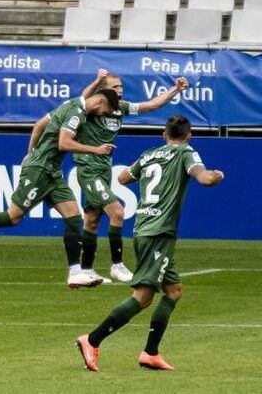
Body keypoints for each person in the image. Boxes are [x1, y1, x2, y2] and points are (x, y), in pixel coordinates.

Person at [76, 115, 224, 372]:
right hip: (159, 233)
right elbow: (204, 178)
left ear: (164, 134)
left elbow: (122, 178)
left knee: (174, 290)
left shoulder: (149, 155)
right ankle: (92, 340)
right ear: (188, 135)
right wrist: (216, 175)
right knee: (143, 298)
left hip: (145, 228)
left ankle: (151, 353)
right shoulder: (187, 154)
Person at [0, 89, 120, 288]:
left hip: (53, 172)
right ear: (100, 102)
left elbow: (39, 125)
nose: (101, 115)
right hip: (40, 170)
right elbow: (63, 143)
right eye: (104, 111)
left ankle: (75, 272)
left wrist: (29, 153)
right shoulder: (77, 112)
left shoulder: (74, 103)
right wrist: (96, 150)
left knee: (74, 217)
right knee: (13, 217)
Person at [76, 69, 188, 284]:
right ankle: (117, 265)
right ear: (102, 92)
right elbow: (82, 100)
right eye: (115, 87)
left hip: (103, 169)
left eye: (121, 87)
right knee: (117, 212)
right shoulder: (94, 106)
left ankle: (86, 270)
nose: (120, 91)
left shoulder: (121, 108)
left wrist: (176, 89)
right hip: (88, 168)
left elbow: (152, 105)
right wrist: (97, 81)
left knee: (91, 220)